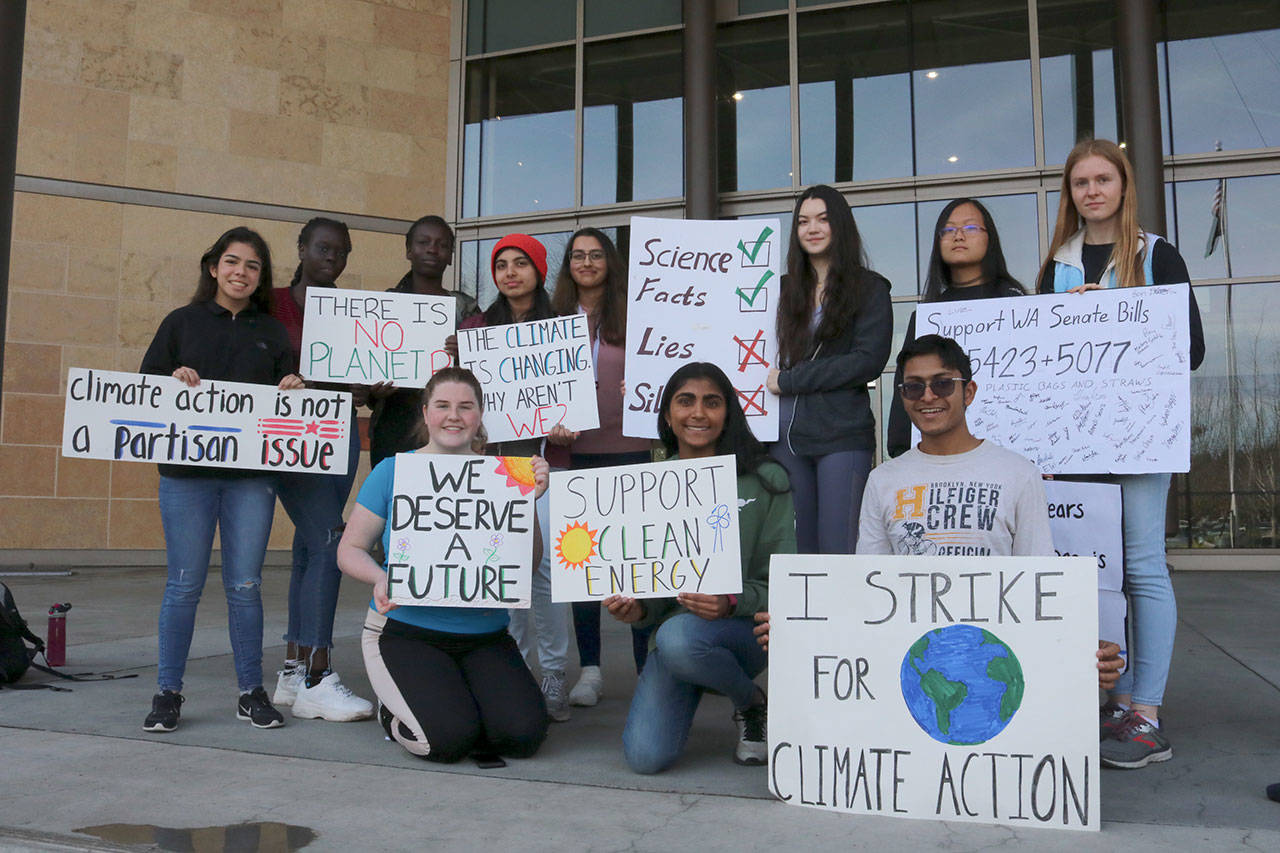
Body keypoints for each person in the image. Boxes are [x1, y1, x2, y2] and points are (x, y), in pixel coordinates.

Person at [752, 334, 1125, 689]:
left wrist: (1081, 649)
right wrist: (800, 629)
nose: (928, 396)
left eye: (943, 384)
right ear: (903, 397)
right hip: (913, 666)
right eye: (913, 387)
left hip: (994, 663)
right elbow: (869, 588)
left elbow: (1040, 582)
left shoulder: (1018, 473)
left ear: (969, 391)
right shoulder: (882, 481)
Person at [1038, 138, 1205, 770]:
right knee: (1095, 571)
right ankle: (1113, 698)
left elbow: (1190, 348)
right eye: (1080, 182)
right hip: (1078, 438)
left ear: (1123, 184)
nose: (1092, 191)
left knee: (1142, 567)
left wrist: (1110, 314)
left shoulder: (1156, 253)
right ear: (1070, 193)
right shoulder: (1057, 263)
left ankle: (1148, 713)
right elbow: (1039, 354)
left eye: (1102, 179)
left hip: (1140, 436)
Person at [336, 367, 550, 763]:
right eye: (443, 406)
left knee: (522, 738)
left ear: (480, 414)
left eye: (465, 407)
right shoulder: (393, 471)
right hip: (406, 632)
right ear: (425, 412)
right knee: (446, 742)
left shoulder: (505, 477)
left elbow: (529, 564)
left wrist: (529, 503)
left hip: (485, 635)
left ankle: (453, 700)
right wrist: (381, 578)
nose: (454, 416)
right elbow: (349, 549)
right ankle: (393, 713)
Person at [139, 226, 304, 733]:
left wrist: (293, 386)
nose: (241, 272)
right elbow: (144, 388)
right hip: (186, 477)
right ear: (213, 267)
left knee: (245, 585)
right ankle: (168, 692)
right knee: (183, 584)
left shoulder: (272, 331)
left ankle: (251, 692)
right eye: (232, 262)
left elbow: (288, 405)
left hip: (250, 480)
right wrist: (171, 381)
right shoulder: (180, 322)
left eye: (253, 266)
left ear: (261, 277)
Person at [606, 362, 796, 774]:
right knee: (645, 758)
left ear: (728, 413)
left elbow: (784, 583)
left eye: (712, 402)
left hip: (742, 633)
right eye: (685, 401)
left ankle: (749, 705)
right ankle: (745, 696)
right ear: (667, 415)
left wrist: (731, 602)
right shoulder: (648, 485)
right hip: (673, 639)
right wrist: (638, 610)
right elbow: (652, 591)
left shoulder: (765, 479)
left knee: (677, 636)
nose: (698, 413)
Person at [458, 234, 574, 722]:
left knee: (545, 573)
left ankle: (554, 672)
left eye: (520, 263)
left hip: (544, 465)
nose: (509, 272)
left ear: (539, 271)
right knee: (502, 570)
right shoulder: (476, 329)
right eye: (501, 264)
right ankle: (515, 667)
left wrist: (567, 424)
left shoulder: (562, 327)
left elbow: (577, 400)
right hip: (492, 467)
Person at [268, 217, 373, 723]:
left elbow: (364, 382)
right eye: (324, 248)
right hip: (289, 434)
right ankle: (317, 674)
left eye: (342, 251)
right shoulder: (273, 303)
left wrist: (371, 385)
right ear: (302, 248)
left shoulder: (353, 311)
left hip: (341, 431)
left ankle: (293, 669)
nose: (333, 258)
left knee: (310, 546)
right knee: (331, 540)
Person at [545, 228, 654, 708]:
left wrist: (648, 384)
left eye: (595, 255)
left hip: (631, 450)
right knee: (582, 563)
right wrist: (547, 424)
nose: (586, 263)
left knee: (635, 565)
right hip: (574, 454)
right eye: (577, 256)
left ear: (610, 262)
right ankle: (590, 669)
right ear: (568, 265)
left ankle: (647, 669)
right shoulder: (551, 320)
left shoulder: (636, 315)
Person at [767, 185, 892, 554]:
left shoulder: (869, 288)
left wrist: (791, 381)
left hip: (841, 434)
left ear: (840, 224)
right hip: (783, 437)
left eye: (823, 219)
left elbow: (867, 360)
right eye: (803, 221)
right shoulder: (778, 290)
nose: (812, 228)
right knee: (797, 551)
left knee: (839, 549)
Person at [887, 198, 1026, 458]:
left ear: (990, 238)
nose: (958, 236)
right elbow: (907, 383)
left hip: (1011, 451)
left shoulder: (1016, 302)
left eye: (970, 228)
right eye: (948, 230)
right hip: (941, 457)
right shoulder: (929, 314)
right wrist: (900, 449)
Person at [368, 215, 480, 468]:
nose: (432, 249)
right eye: (423, 242)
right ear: (409, 250)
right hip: (393, 427)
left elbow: (486, 371)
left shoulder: (467, 309)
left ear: (451, 256)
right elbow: (365, 377)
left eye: (442, 245)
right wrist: (374, 392)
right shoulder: (382, 306)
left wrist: (468, 353)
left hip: (451, 427)